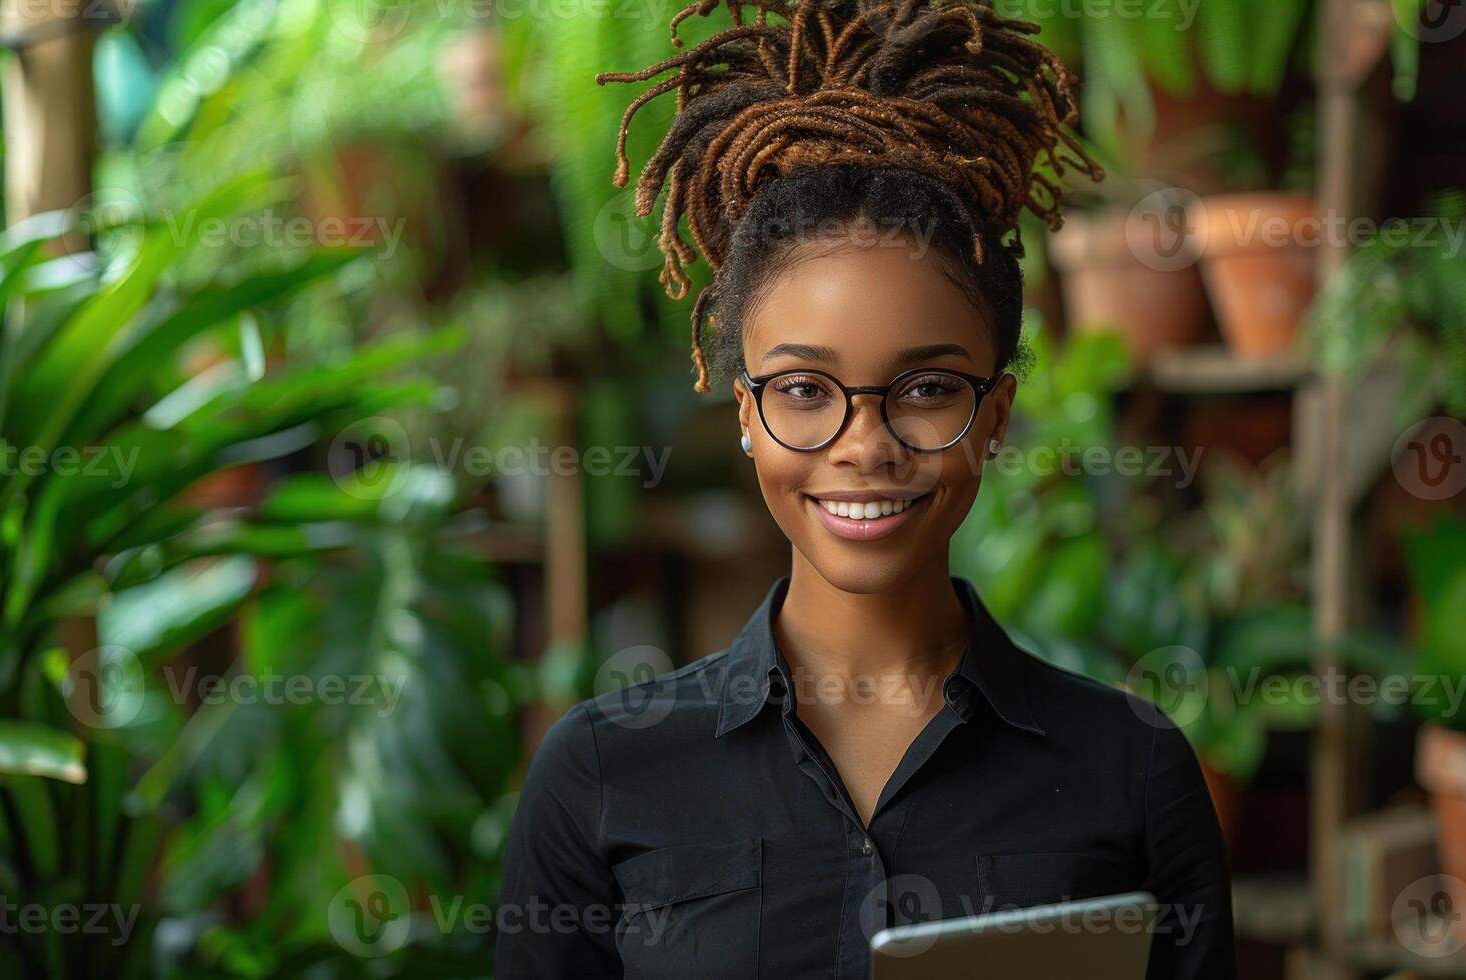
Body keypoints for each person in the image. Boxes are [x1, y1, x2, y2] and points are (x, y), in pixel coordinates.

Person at [496, 1, 1235, 976]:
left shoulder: (1130, 767)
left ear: (1000, 413)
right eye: (805, 389)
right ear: (748, 412)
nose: (865, 444)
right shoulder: (600, 774)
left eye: (927, 388)